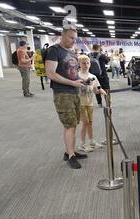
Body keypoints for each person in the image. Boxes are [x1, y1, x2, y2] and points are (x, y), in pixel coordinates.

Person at [45, 26, 88, 169]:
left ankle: (70, 151)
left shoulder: (70, 52)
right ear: (62, 35)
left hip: (74, 92)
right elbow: (50, 73)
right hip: (63, 94)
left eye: (75, 38)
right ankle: (71, 156)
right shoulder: (54, 50)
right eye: (71, 38)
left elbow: (73, 72)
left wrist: (81, 80)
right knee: (69, 125)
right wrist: (72, 82)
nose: (73, 41)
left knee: (73, 124)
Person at [77, 55, 107, 153]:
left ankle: (91, 141)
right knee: (84, 123)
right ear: (79, 64)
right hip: (81, 103)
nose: (86, 65)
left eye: (88, 63)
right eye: (83, 63)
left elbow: (96, 89)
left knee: (90, 122)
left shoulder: (93, 76)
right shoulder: (77, 76)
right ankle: (82, 144)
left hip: (90, 103)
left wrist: (102, 92)